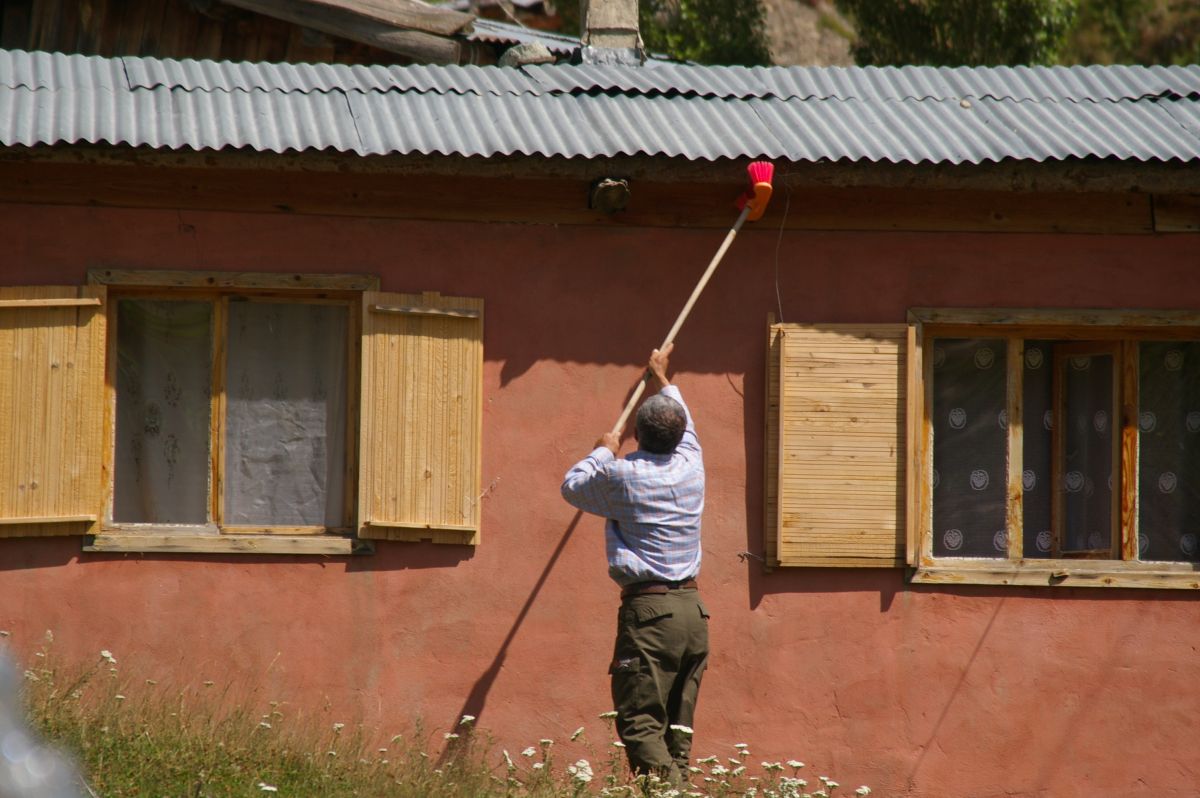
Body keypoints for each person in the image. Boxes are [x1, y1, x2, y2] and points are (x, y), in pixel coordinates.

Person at [561, 342, 708, 785]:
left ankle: (673, 796)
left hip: (650, 614)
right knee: (677, 729)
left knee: (641, 723)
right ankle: (678, 787)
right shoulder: (692, 465)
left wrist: (604, 449)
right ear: (678, 437)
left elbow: (573, 486)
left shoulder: (622, 476)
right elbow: (686, 420)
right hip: (693, 613)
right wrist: (662, 378)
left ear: (637, 437)